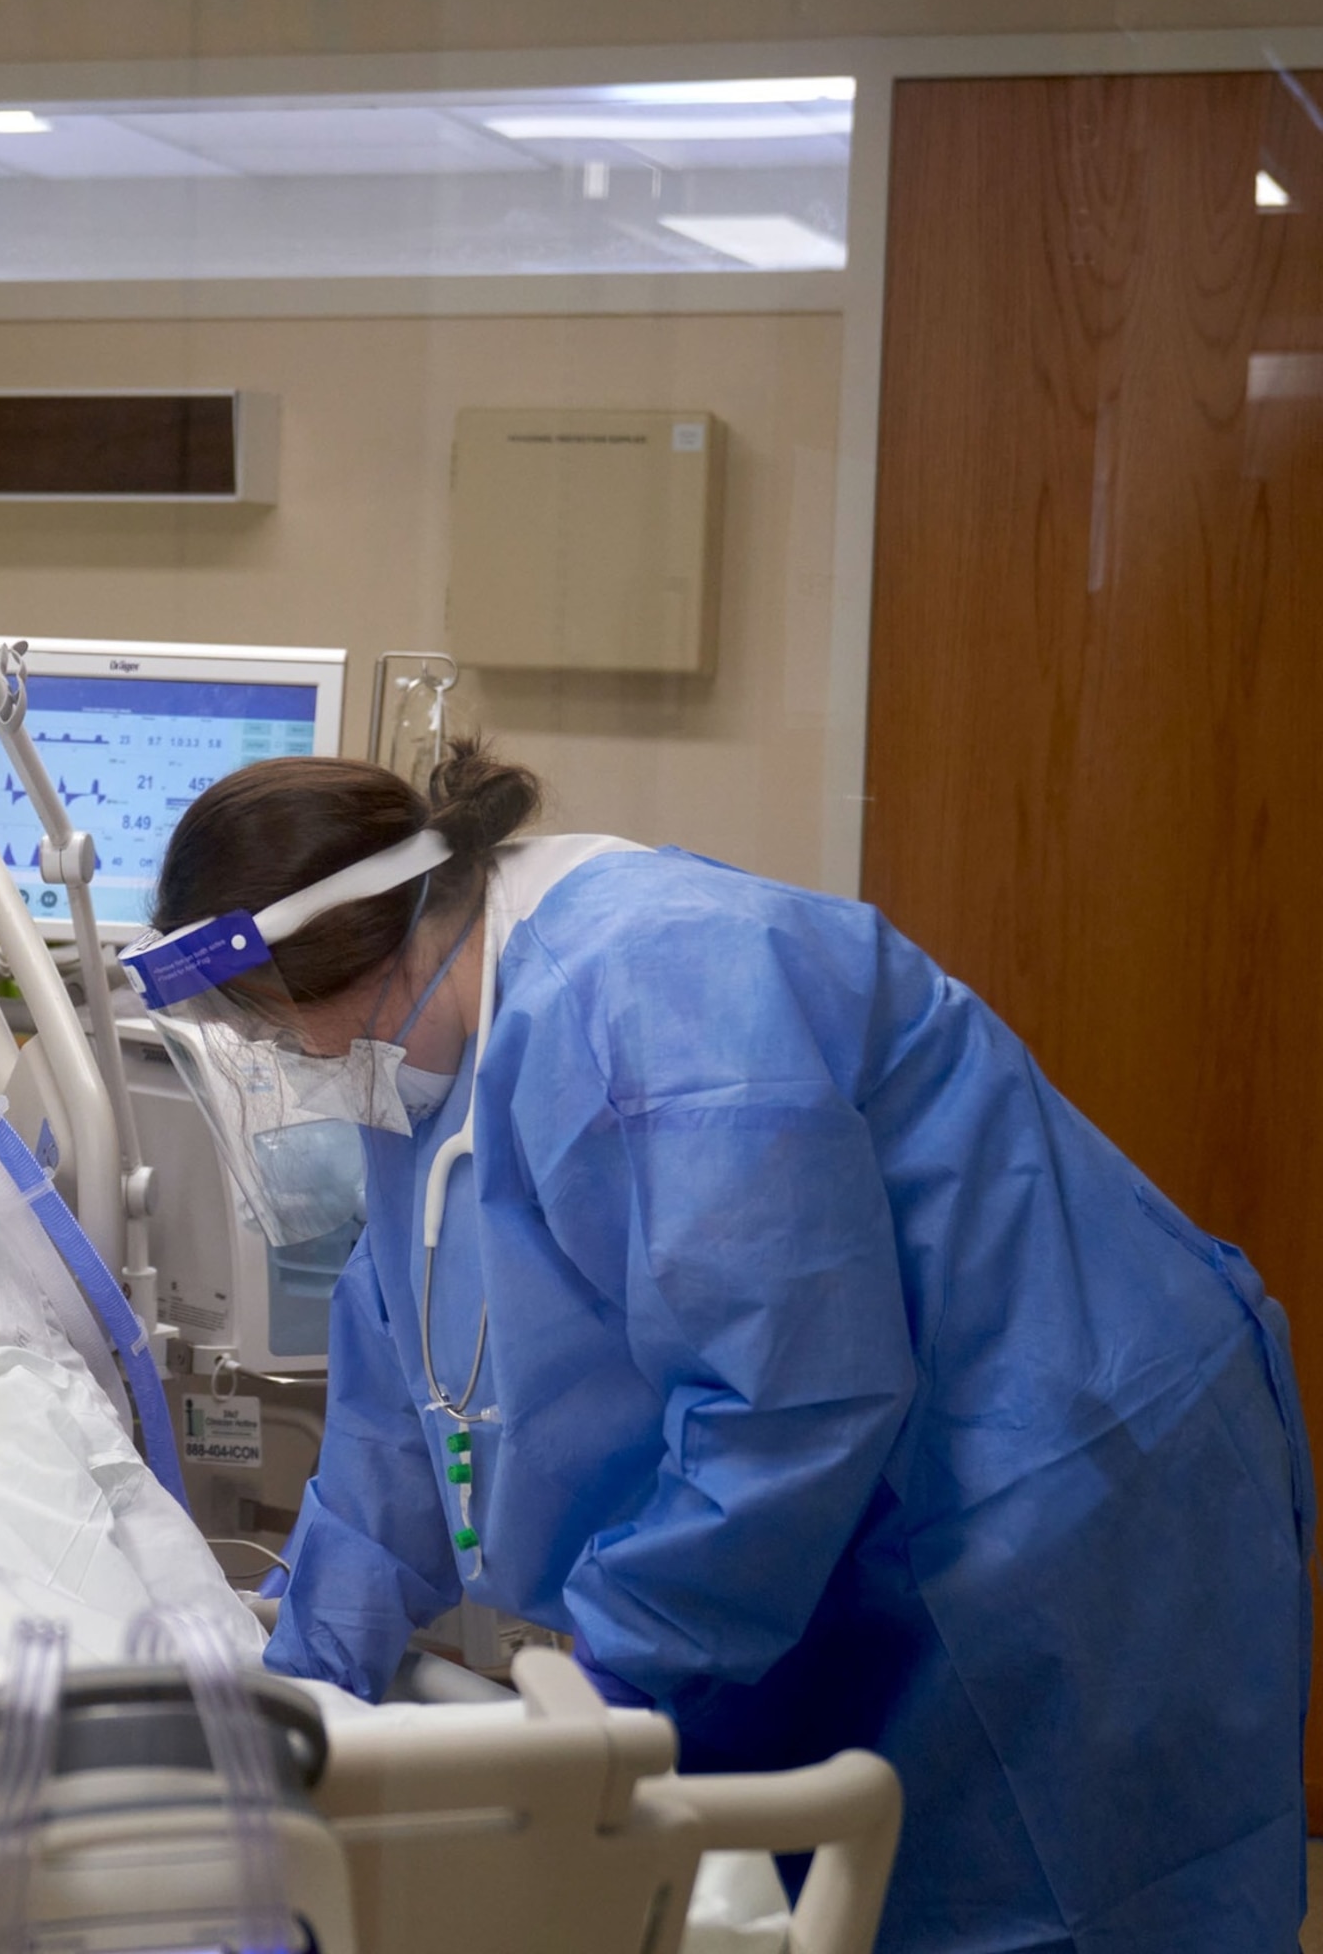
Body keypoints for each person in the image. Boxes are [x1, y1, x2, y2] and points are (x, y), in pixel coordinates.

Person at [134, 741, 1311, 1953]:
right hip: (853, 1517)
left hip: (1060, 1492)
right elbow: (399, 1417)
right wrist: (301, 1675)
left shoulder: (656, 980)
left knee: (1062, 1897)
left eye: (279, 1032)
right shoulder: (419, 1070)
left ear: (368, 947)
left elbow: (789, 1393)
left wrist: (614, 1684)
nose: (288, 1070)